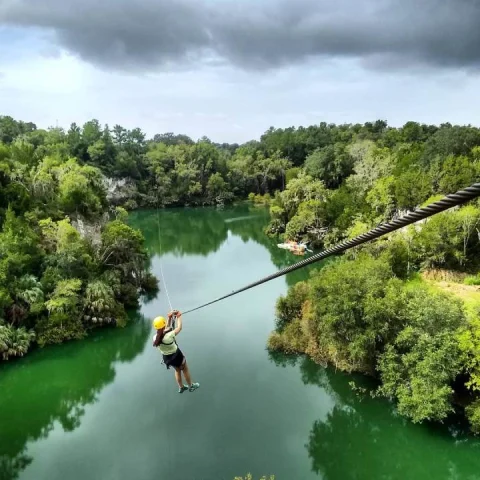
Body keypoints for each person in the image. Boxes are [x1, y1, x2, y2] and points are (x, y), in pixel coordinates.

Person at [152, 309, 200, 393]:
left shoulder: (155, 338)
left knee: (177, 370)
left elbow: (165, 329)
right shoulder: (169, 335)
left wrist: (170, 318)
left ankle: (181, 387)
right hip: (177, 356)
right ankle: (191, 386)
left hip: (167, 358)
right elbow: (179, 328)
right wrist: (179, 316)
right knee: (185, 369)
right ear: (163, 324)